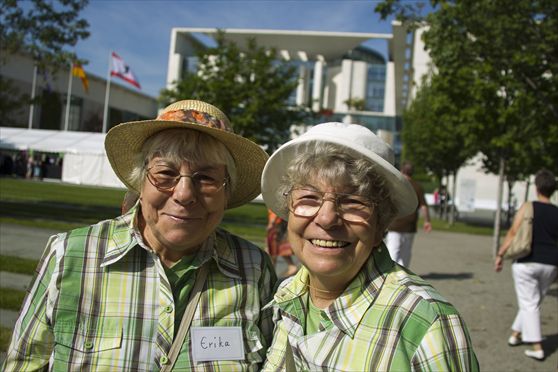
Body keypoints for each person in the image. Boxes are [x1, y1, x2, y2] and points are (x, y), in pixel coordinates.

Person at [3, 100, 277, 371]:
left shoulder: (253, 268)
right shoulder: (70, 255)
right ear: (140, 181)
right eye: (166, 173)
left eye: (206, 178)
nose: (183, 194)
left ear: (226, 191)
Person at [261, 122, 478, 371]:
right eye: (309, 198)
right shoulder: (284, 297)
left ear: (380, 225)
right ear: (288, 212)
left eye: (353, 202)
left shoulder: (426, 322)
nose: (326, 218)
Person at [494, 169, 558, 361]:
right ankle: (515, 334)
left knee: (529, 303)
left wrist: (500, 254)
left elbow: (513, 232)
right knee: (532, 302)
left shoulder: (528, 207)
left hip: (527, 262)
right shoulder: (557, 212)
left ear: (537, 187)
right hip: (550, 264)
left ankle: (537, 346)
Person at [386, 161, 432, 268]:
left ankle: (391, 274)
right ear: (412, 172)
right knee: (405, 253)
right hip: (410, 225)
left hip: (395, 224)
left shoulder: (395, 184)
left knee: (393, 251)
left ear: (401, 170)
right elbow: (424, 206)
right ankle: (404, 274)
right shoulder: (418, 187)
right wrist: (427, 221)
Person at [266, 209, 298, 277]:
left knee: (272, 250)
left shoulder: (275, 204)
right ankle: (291, 266)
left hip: (276, 226)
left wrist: (271, 223)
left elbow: (275, 213)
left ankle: (271, 272)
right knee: (277, 250)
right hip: (280, 226)